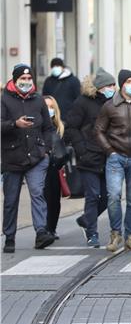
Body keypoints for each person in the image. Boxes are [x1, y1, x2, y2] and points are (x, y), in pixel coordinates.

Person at [1, 64, 56, 252]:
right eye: (22, 79)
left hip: (37, 156)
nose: (26, 82)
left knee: (37, 192)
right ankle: (9, 237)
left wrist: (46, 149)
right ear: (15, 80)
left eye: (29, 79)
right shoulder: (4, 100)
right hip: (12, 157)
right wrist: (14, 124)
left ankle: (41, 232)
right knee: (11, 200)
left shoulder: (38, 100)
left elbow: (48, 127)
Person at [95, 69, 131, 252]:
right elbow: (99, 130)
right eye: (128, 81)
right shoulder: (110, 106)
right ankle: (115, 233)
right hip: (116, 157)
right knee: (114, 196)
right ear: (122, 84)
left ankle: (130, 236)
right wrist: (110, 151)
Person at [65, 68, 114, 247]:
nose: (112, 88)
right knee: (93, 195)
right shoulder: (82, 102)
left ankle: (86, 219)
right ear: (100, 87)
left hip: (108, 156)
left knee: (109, 197)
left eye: (114, 85)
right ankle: (92, 232)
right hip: (88, 156)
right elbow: (71, 128)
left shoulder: (113, 102)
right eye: (109, 85)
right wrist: (81, 149)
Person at [43, 96, 67, 239]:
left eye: (51, 107)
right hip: (41, 165)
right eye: (46, 107)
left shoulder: (61, 127)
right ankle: (43, 228)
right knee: (42, 197)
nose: (49, 110)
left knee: (54, 200)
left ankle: (52, 228)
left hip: (56, 167)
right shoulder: (38, 126)